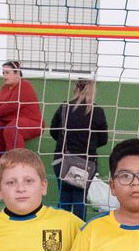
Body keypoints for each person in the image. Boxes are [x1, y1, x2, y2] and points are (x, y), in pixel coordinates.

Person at [48, 77, 111, 219]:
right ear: (93, 90)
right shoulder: (97, 111)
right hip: (86, 162)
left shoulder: (64, 107)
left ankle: (62, 227)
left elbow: (53, 131)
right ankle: (79, 228)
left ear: (75, 89)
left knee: (64, 199)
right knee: (80, 200)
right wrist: (88, 145)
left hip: (62, 160)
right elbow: (103, 139)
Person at [0, 61, 44, 171]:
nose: (4, 76)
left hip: (32, 122)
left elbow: (12, 105)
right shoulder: (4, 88)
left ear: (17, 73)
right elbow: (2, 106)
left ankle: (17, 164)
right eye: (3, 73)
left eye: (7, 73)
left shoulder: (24, 85)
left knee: (11, 129)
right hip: (13, 120)